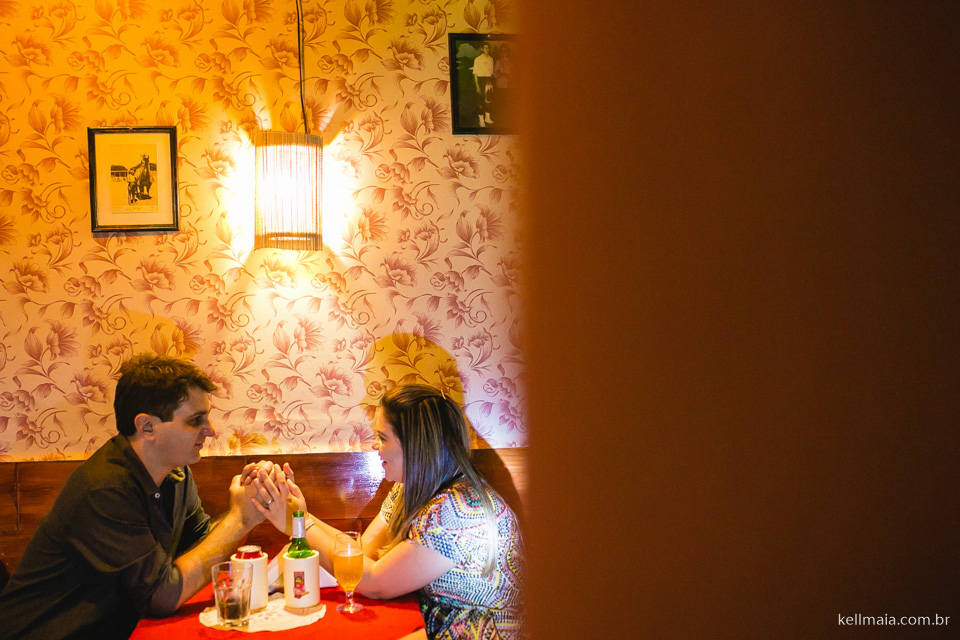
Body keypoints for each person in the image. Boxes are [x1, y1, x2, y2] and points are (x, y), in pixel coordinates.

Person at [0, 354, 265, 639]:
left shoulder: (175, 474)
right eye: (195, 420)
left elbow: (201, 545)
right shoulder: (105, 489)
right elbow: (162, 596)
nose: (211, 430)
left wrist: (247, 507)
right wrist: (238, 521)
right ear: (146, 426)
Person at [252, 384, 525, 639]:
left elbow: (375, 582)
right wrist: (302, 517)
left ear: (416, 446)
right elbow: (361, 552)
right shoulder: (406, 492)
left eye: (382, 437)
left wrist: (298, 527)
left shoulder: (461, 511)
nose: (374, 444)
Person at [473, 42, 496, 127]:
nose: (487, 49)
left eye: (488, 48)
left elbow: (491, 73)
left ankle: (487, 118)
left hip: (489, 81)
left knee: (488, 101)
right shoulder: (477, 59)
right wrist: (477, 86)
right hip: (480, 81)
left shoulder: (491, 59)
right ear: (482, 49)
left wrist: (491, 84)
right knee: (480, 102)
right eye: (485, 47)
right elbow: (475, 74)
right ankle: (481, 120)